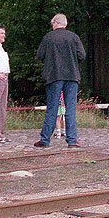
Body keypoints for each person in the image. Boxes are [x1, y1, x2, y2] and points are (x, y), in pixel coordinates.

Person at [34, 13, 86, 148]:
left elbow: (39, 55)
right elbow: (82, 55)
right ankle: (72, 140)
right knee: (70, 109)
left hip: (53, 77)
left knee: (52, 108)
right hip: (72, 76)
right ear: (65, 24)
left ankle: (45, 140)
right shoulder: (74, 37)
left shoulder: (48, 37)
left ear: (55, 23)